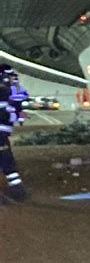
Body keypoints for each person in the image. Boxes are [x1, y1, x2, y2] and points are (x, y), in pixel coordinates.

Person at [0, 64, 27, 202]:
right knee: (6, 160)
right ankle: (17, 190)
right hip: (2, 133)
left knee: (6, 159)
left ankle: (17, 189)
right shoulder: (6, 93)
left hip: (2, 133)